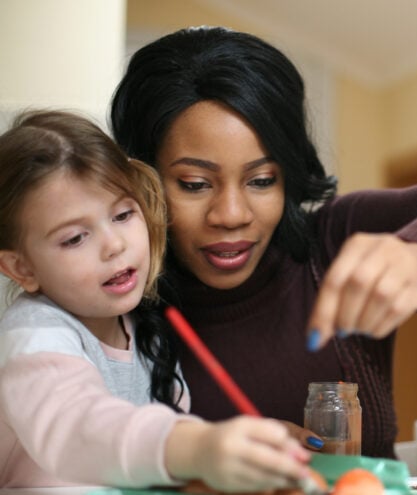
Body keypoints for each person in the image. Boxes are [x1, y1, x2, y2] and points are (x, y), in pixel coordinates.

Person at [109, 26, 417, 459]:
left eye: (262, 180)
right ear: (141, 180)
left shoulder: (335, 239)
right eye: (194, 183)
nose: (231, 215)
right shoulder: (114, 299)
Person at [0, 110, 311, 490]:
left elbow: (143, 458)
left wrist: (244, 447)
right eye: (75, 238)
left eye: (123, 214)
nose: (115, 245)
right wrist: (196, 447)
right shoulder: (33, 336)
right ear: (21, 268)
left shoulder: (147, 331)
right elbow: (83, 427)